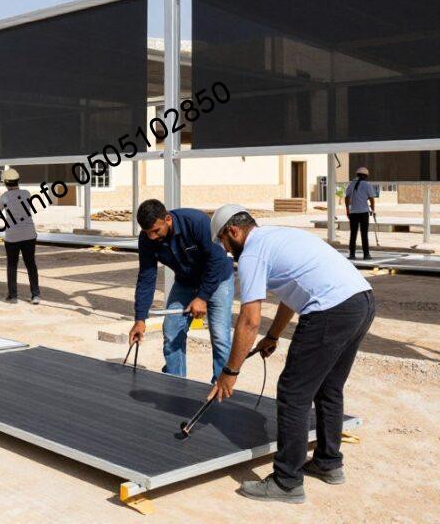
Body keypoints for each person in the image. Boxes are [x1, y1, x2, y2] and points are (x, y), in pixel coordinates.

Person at [208, 204, 376, 504]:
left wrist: (230, 372)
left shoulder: (251, 255)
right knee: (329, 387)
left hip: (331, 309)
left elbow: (249, 320)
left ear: (233, 231)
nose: (225, 250)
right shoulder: (277, 237)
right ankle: (328, 462)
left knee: (293, 393)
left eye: (223, 241)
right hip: (361, 301)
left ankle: (287, 482)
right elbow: (291, 295)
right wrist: (273, 336)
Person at [128, 199, 236, 382]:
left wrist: (202, 297)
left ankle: (221, 387)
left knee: (220, 337)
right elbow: (146, 278)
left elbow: (216, 260)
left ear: (168, 219)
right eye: (147, 232)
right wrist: (140, 319)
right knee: (171, 331)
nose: (152, 237)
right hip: (185, 282)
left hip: (218, 279)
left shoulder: (197, 222)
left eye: (156, 231)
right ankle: (175, 383)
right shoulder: (147, 239)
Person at [0, 168, 40, 304]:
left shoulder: (5, 197)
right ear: (17, 180)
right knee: (31, 264)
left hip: (12, 237)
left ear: (5, 183)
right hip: (29, 234)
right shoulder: (27, 193)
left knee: (12, 265)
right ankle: (35, 295)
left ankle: (13, 297)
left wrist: (1, 199)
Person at [344, 166, 376, 260]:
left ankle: (352, 254)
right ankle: (366, 255)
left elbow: (347, 198)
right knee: (364, 234)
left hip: (353, 213)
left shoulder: (351, 184)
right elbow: (371, 199)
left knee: (353, 234)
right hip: (364, 213)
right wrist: (372, 210)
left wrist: (347, 210)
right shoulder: (367, 185)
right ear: (366, 176)